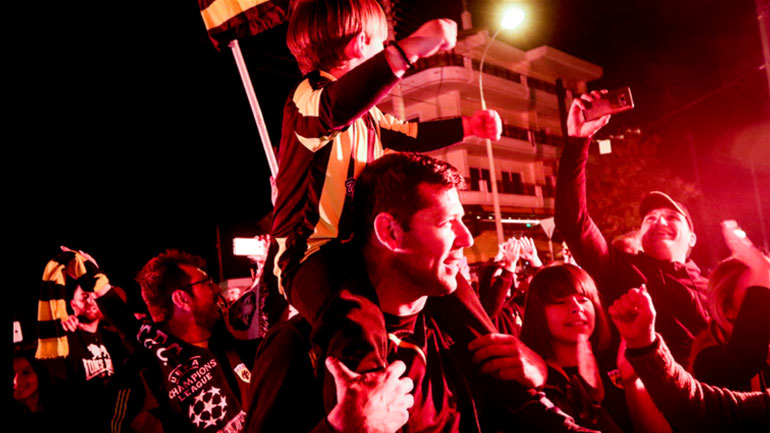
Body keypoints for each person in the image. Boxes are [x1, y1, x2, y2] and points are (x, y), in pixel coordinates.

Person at [270, 0, 510, 414]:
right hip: (309, 255)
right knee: (352, 322)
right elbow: (335, 107)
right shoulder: (307, 98)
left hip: (358, 249)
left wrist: (467, 126)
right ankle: (365, 404)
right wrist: (408, 51)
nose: (387, 52)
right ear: (360, 44)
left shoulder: (370, 117)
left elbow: (410, 134)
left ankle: (514, 385)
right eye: (382, 44)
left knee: (457, 290)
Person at [247, 153, 594, 432]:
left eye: (462, 220)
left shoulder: (458, 334)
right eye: (446, 223)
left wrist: (541, 376)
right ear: (390, 232)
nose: (466, 239)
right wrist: (340, 430)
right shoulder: (301, 348)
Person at [555, 90, 709, 363]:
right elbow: (573, 222)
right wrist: (577, 142)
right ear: (640, 235)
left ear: (692, 238)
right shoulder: (620, 270)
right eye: (650, 218)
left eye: (671, 217)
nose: (659, 221)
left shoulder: (715, 287)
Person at [89, 249, 254, 432]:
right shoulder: (143, 376)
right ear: (182, 298)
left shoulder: (226, 338)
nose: (217, 289)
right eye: (207, 284)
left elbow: (129, 327)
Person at [609, 284, 770, 432]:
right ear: (725, 309)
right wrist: (645, 346)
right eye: (750, 297)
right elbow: (701, 407)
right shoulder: (709, 359)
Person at [518, 264, 625, 432]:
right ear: (538, 313)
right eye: (560, 301)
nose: (577, 308)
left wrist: (633, 381)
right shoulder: (534, 381)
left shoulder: (618, 361)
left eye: (583, 300)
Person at [689, 223, 770, 391]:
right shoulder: (707, 361)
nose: (765, 299)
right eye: (757, 292)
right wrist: (761, 269)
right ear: (726, 309)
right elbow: (744, 361)